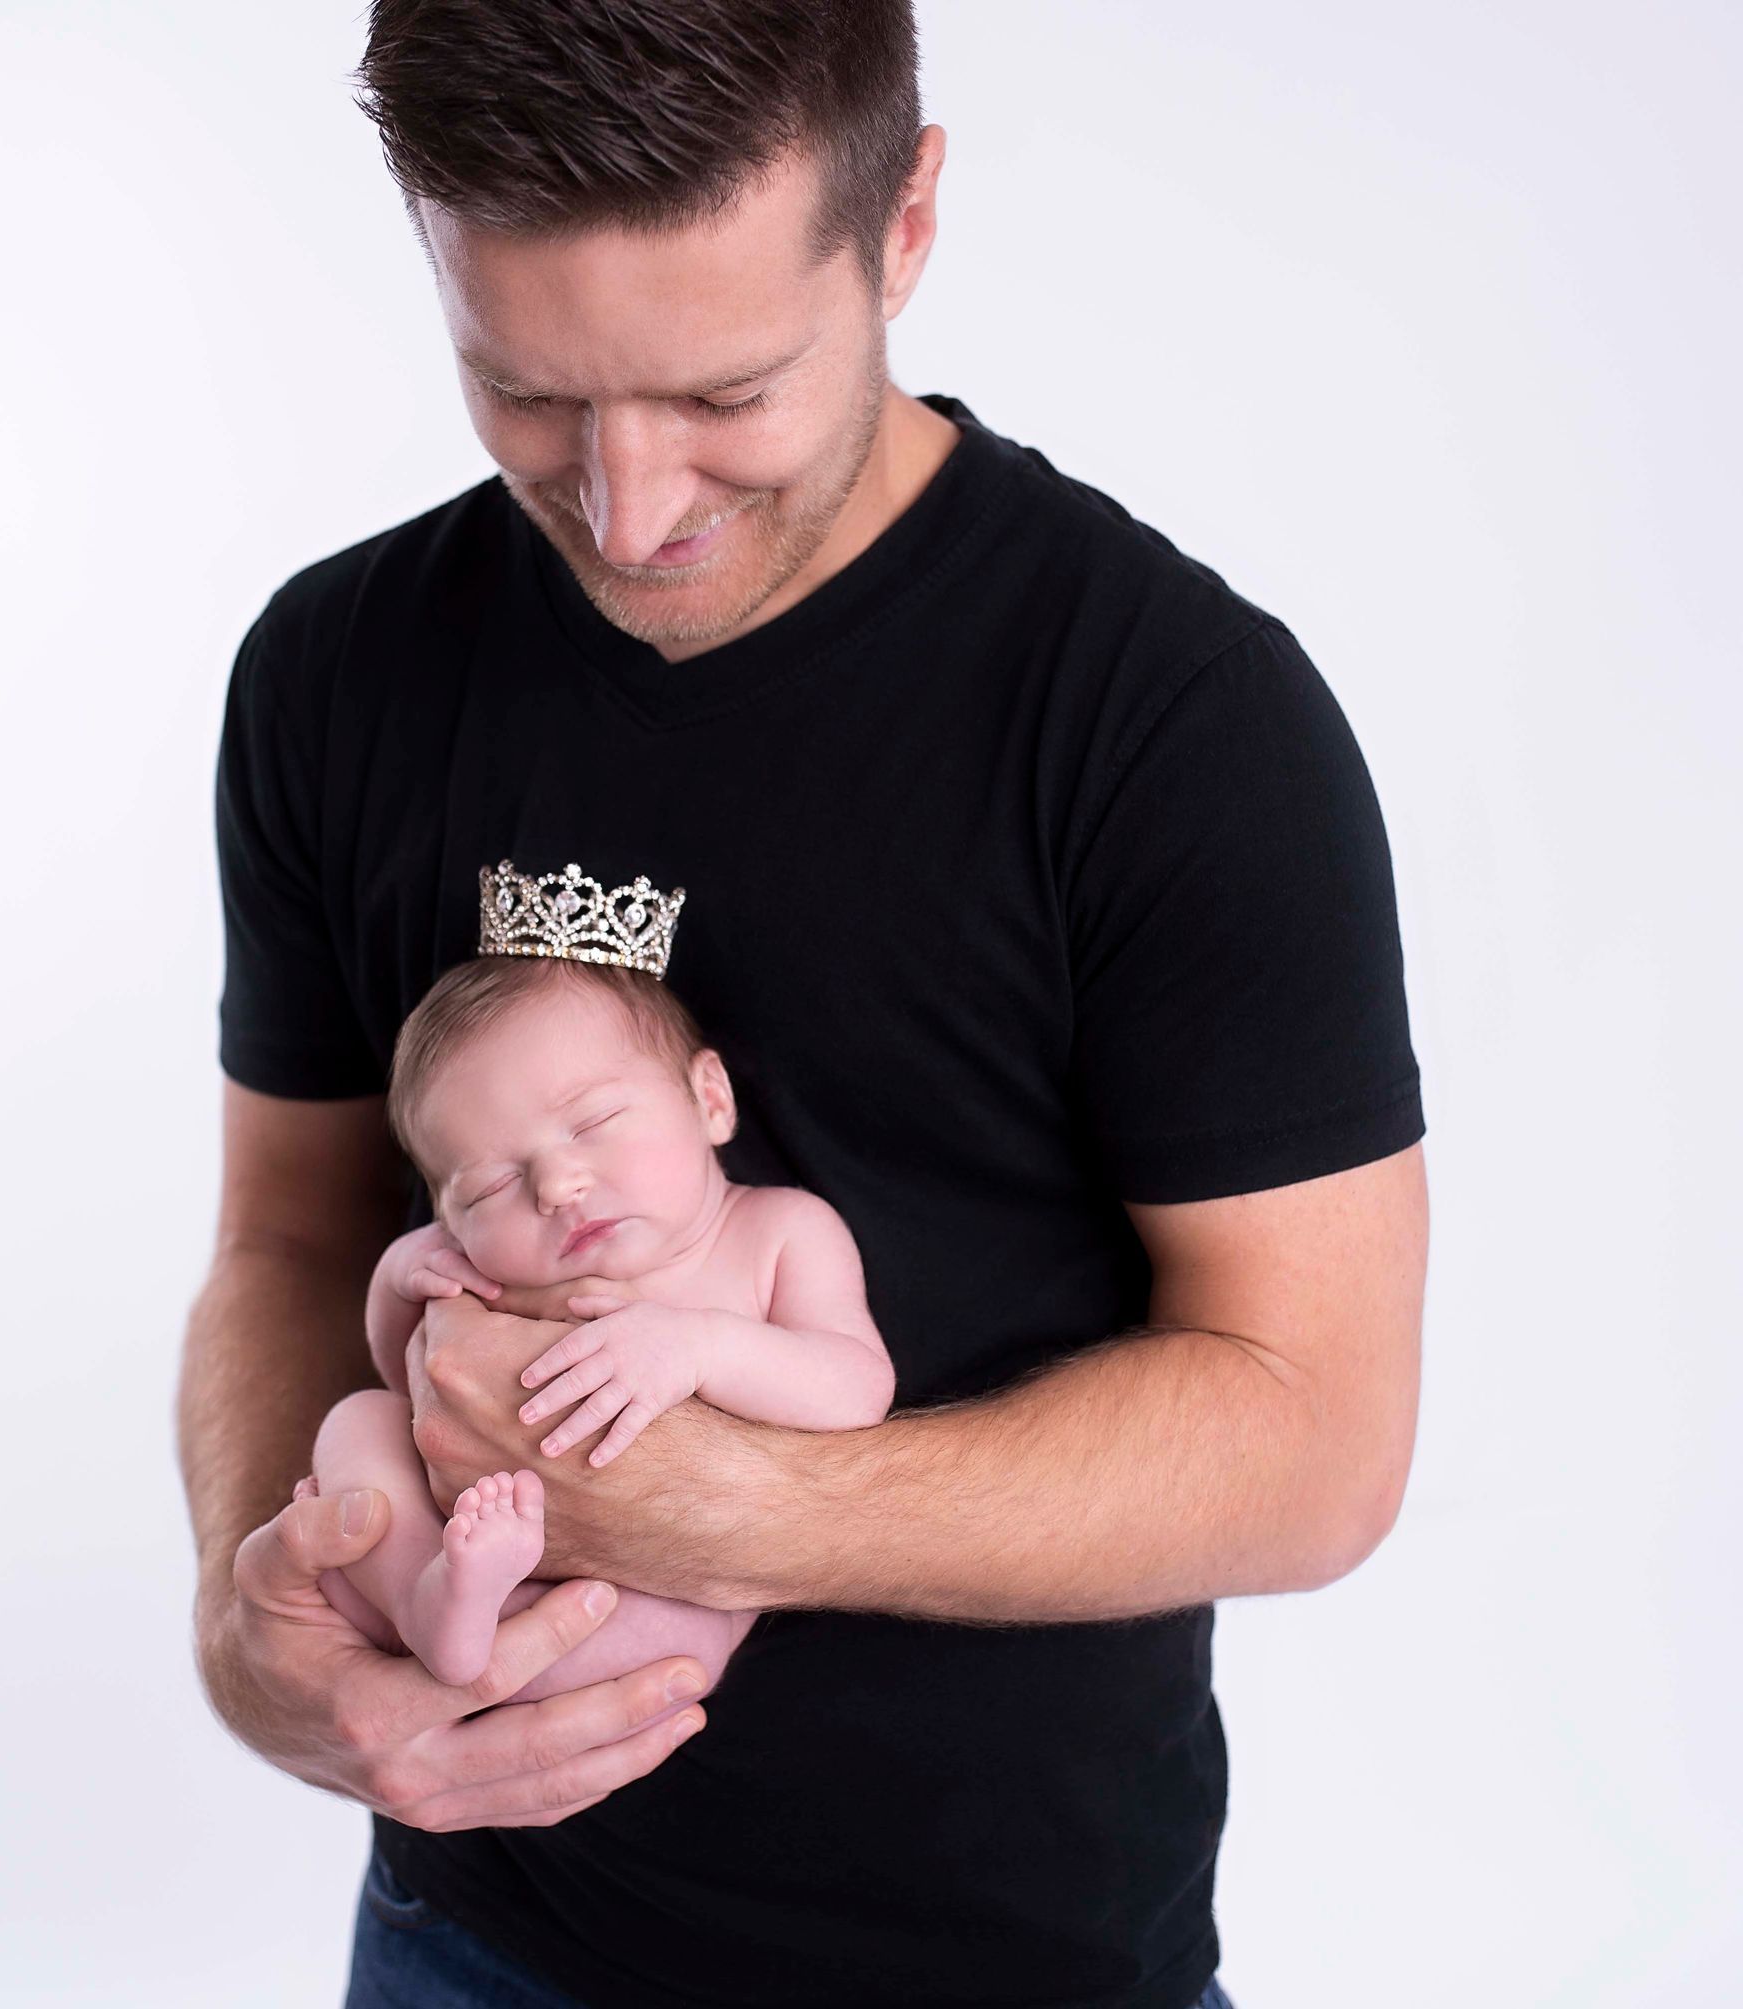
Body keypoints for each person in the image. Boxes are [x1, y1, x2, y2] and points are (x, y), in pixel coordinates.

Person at [177, 4, 1427, 2005]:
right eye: (523, 392)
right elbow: (294, 1233)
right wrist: (266, 1624)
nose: (624, 501)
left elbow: (1316, 1435)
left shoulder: (1173, 722)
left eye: (724, 391)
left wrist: (731, 1498)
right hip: (473, 1941)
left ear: (906, 217)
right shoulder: (336, 672)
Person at [309, 864, 893, 1705]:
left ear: (710, 1098)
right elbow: (405, 1379)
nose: (555, 1187)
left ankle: (461, 1641)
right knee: (354, 1422)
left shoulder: (778, 1233)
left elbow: (858, 1386)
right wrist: (399, 1282)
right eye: (487, 1188)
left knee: (687, 1628)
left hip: (649, 1589)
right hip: (468, 1545)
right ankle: (424, 1598)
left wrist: (697, 1346)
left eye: (593, 1124)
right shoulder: (491, 1266)